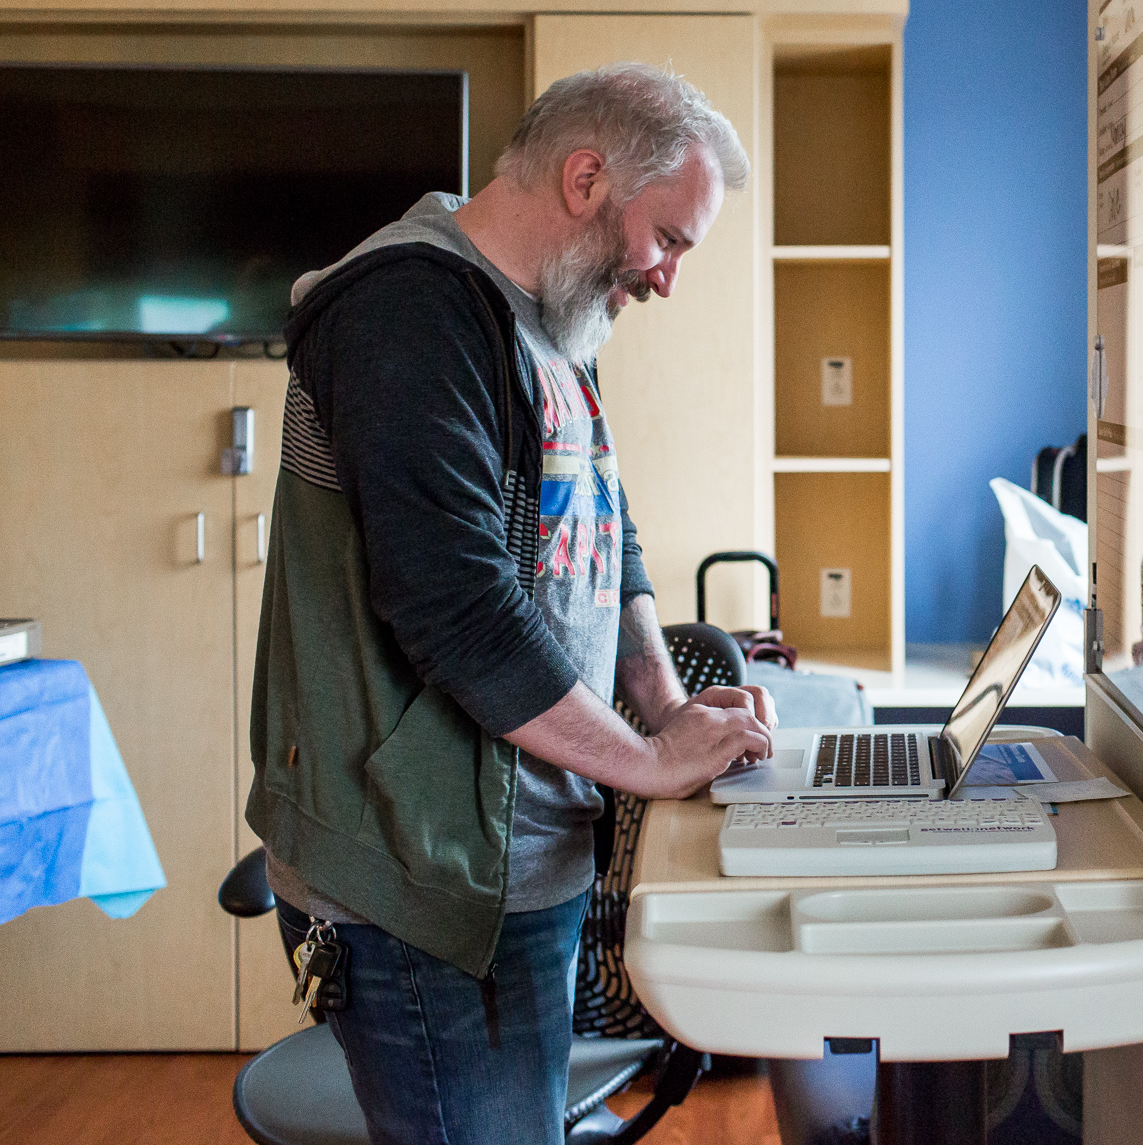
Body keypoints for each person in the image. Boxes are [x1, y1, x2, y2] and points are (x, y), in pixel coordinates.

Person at [244, 62, 775, 1144]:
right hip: (416, 881)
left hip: (520, 855)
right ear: (586, 178)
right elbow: (454, 606)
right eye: (667, 238)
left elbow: (606, 534)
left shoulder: (554, 323)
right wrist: (643, 764)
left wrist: (665, 705)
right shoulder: (410, 311)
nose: (666, 277)